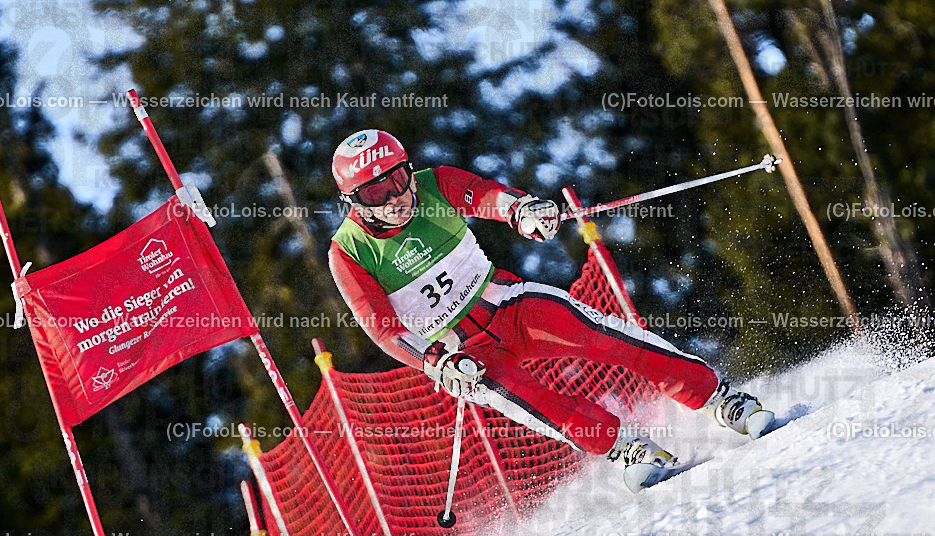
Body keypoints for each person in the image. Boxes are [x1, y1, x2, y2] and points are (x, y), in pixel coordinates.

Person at [327, 130, 775, 492]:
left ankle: (721, 399)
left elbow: (486, 197)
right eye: (374, 193)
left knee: (607, 338)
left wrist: (522, 211)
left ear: (408, 171)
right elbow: (382, 327)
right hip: (461, 354)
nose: (394, 198)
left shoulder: (433, 183)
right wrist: (435, 362)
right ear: (353, 201)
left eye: (396, 180)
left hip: (507, 304)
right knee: (537, 405)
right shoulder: (347, 252)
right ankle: (628, 449)